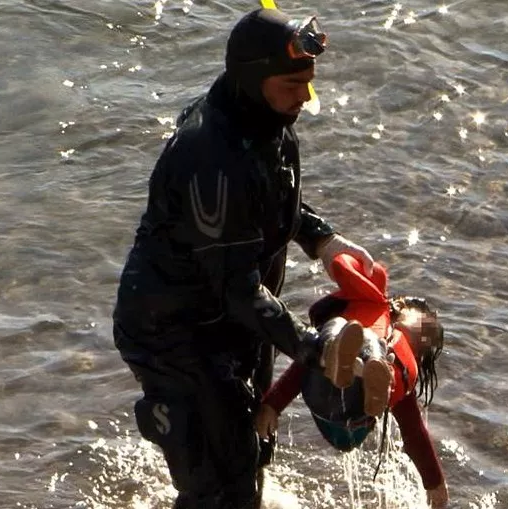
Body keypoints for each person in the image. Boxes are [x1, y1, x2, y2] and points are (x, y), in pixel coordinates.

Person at [112, 8, 378, 509]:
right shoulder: (210, 157)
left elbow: (270, 201)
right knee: (217, 484)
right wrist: (311, 347)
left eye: (309, 82)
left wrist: (323, 241)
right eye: (292, 84)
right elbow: (236, 286)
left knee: (254, 447)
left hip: (238, 321)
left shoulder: (268, 118)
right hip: (174, 330)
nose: (306, 96)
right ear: (254, 78)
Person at [255, 254, 450, 508]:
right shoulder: (399, 373)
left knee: (337, 334)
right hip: (349, 414)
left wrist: (271, 405)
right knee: (358, 341)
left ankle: (346, 362)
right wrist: (435, 484)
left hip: (334, 406)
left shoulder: (392, 354)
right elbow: (414, 437)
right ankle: (351, 366)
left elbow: (298, 371)